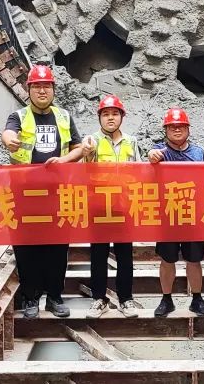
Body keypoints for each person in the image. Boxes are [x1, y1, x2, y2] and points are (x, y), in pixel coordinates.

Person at [1, 65, 91, 319]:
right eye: (37, 86)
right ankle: (31, 298)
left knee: (57, 248)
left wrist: (64, 160)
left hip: (57, 194)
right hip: (25, 195)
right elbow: (7, 133)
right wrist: (9, 141)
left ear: (53, 90)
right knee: (26, 247)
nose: (42, 91)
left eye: (47, 86)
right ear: (29, 89)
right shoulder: (19, 116)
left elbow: (78, 148)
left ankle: (54, 297)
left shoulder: (64, 117)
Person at [149, 107, 204, 318]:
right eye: (172, 127)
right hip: (168, 215)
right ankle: (166, 299)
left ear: (188, 129)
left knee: (194, 260)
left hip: (193, 215)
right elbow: (150, 160)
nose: (177, 130)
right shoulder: (159, 152)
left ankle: (197, 299)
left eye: (181, 126)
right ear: (165, 130)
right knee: (167, 260)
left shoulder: (199, 153)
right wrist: (151, 156)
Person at [84, 95, 141, 318]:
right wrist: (87, 153)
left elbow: (139, 172)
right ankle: (99, 299)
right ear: (99, 117)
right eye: (106, 114)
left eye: (115, 114)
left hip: (124, 207)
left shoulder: (131, 142)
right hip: (100, 208)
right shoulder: (92, 141)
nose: (110, 118)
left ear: (122, 117)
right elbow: (85, 170)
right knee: (98, 255)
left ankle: (126, 299)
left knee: (125, 255)